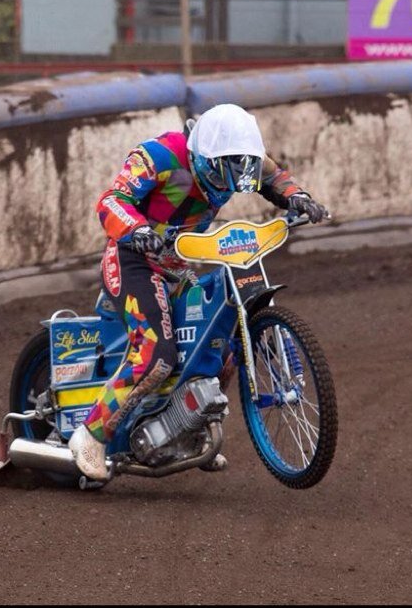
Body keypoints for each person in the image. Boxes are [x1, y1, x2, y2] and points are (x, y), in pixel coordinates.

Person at [69, 103, 328, 480]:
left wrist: (298, 196)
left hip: (179, 264)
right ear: (206, 159)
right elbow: (111, 201)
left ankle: (189, 430)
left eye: (242, 170)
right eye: (226, 173)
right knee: (157, 354)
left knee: (220, 344)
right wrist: (138, 230)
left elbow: (274, 176)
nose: (234, 182)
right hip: (133, 259)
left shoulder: (239, 158)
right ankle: (91, 435)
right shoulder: (160, 155)